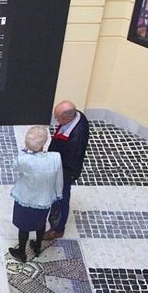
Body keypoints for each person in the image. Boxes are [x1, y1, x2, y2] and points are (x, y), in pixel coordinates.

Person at [8, 126, 64, 263]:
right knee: (40, 224)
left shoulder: (24, 159)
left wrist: (23, 153)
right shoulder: (56, 158)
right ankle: (37, 247)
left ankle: (21, 251)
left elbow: (15, 167)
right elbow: (59, 178)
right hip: (44, 199)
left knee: (23, 227)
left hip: (25, 198)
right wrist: (58, 193)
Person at [43, 100, 90, 240]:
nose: (56, 121)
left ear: (68, 118)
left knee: (61, 199)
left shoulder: (76, 138)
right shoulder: (77, 115)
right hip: (60, 162)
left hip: (65, 172)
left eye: (58, 118)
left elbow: (70, 161)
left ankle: (57, 229)